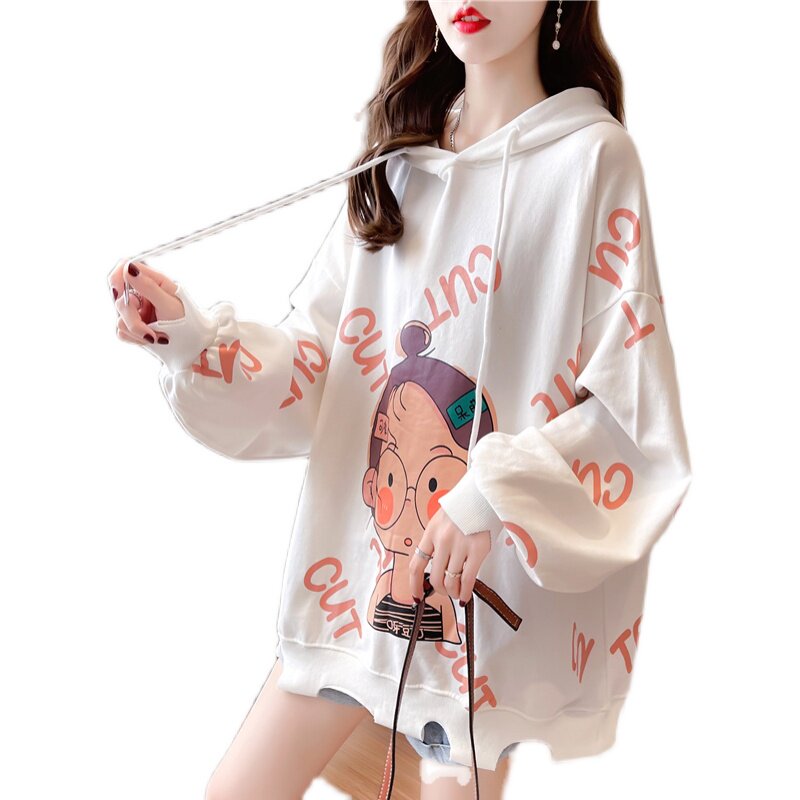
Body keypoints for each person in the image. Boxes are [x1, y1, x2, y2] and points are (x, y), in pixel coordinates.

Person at [107, 2, 693, 798]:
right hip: (357, 593)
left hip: (482, 625)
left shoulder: (593, 160)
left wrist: (491, 493)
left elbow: (632, 415)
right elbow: (321, 370)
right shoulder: (400, 165)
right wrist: (191, 339)